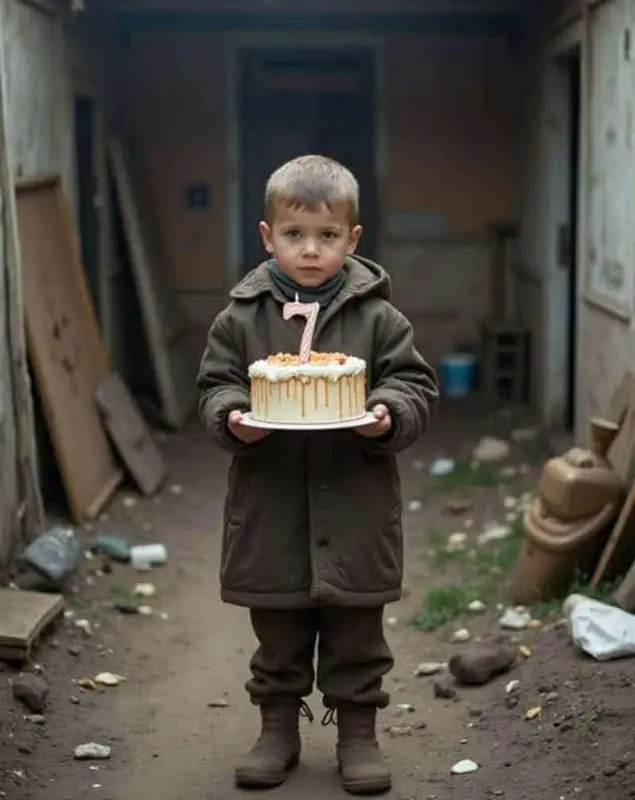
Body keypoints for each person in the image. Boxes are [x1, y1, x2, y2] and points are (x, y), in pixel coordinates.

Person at [197, 154, 439, 795]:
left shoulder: (381, 320)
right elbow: (215, 387)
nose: (310, 251)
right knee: (276, 632)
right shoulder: (240, 320)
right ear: (267, 236)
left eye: (327, 237)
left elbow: (413, 383)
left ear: (352, 239)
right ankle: (277, 729)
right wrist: (232, 419)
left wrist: (389, 416)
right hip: (269, 509)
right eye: (294, 235)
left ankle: (358, 734)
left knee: (357, 633)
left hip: (357, 510)